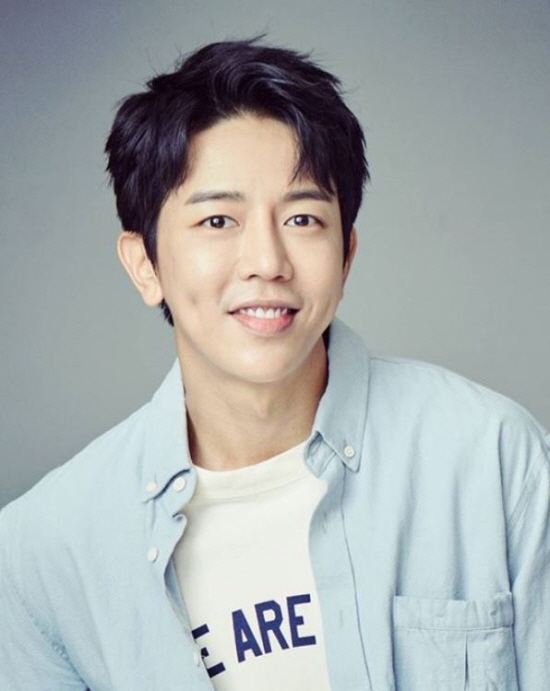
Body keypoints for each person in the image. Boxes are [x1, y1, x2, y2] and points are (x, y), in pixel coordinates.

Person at [0, 38, 548, 691]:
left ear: (346, 255)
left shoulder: (492, 457)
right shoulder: (42, 554)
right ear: (145, 264)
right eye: (218, 221)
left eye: (302, 218)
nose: (267, 261)